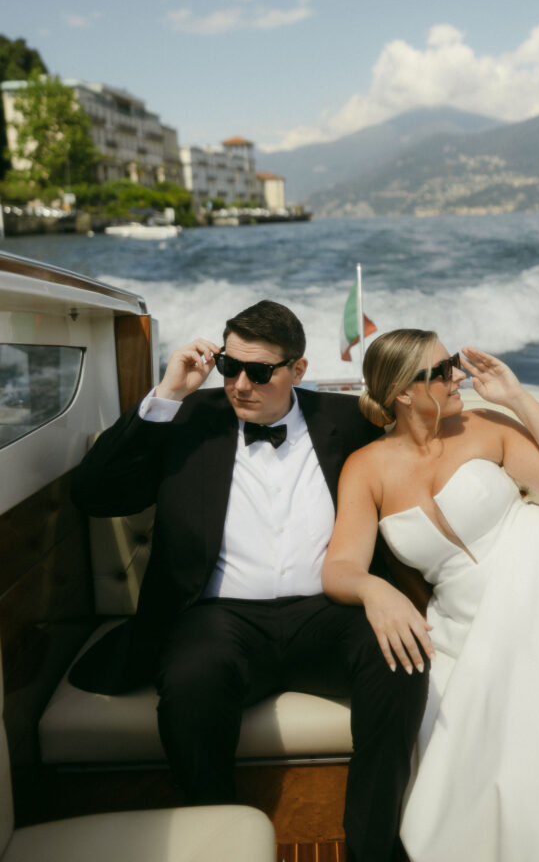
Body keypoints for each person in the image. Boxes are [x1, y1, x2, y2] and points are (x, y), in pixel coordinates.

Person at [69, 302, 429, 862]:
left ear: (298, 370)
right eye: (228, 367)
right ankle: (216, 843)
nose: (240, 384)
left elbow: (428, 449)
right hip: (220, 618)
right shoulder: (186, 417)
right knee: (191, 683)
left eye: (259, 372)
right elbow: (94, 496)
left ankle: (373, 848)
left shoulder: (349, 421)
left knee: (401, 661)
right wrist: (168, 391)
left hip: (327, 609)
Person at [322, 328, 539, 862]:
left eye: (453, 365)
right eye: (441, 370)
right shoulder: (366, 468)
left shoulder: (482, 426)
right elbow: (340, 567)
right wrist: (375, 589)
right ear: (402, 392)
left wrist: (516, 397)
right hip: (460, 618)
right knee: (479, 749)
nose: (457, 376)